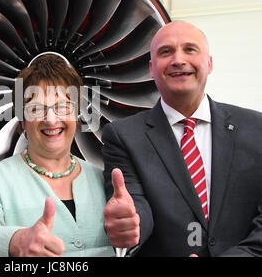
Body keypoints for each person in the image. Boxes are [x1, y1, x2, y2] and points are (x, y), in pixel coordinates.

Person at [102, 20, 262, 257]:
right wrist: (131, 224)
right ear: (151, 68)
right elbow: (135, 205)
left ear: (209, 63)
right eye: (166, 52)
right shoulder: (123, 136)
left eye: (190, 49)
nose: (178, 60)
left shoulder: (256, 128)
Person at [0, 54, 114, 257]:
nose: (51, 120)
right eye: (36, 109)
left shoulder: (102, 179)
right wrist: (15, 242)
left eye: (62, 107)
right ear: (22, 121)